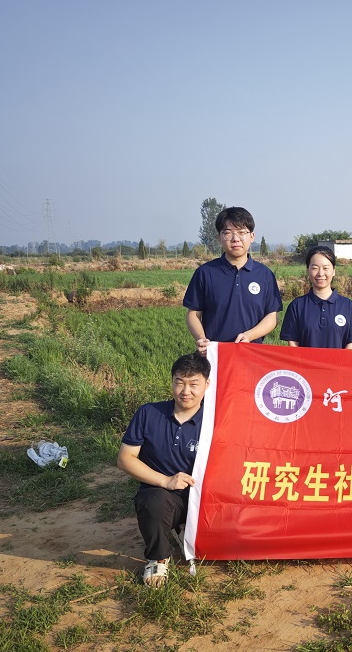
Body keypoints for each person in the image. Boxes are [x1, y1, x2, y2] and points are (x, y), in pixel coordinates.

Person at [117, 352, 210, 587]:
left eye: (193, 384)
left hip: (204, 499)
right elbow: (126, 458)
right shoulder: (148, 414)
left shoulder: (215, 419)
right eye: (180, 382)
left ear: (207, 385)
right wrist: (165, 481)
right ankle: (158, 557)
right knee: (155, 501)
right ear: (172, 382)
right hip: (164, 493)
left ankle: (189, 533)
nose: (185, 391)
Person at [183, 206, 283, 356]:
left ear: (252, 236)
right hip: (214, 356)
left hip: (252, 354)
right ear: (219, 237)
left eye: (242, 232)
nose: (235, 239)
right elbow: (193, 314)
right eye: (228, 233)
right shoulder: (205, 273)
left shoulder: (264, 275)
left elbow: (272, 316)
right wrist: (201, 339)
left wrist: (250, 335)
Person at [280, 245, 352, 349]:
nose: (320, 273)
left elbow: (351, 344)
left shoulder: (348, 307)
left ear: (334, 270)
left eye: (326, 268)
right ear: (308, 270)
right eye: (315, 268)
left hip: (338, 365)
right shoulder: (297, 306)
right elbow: (293, 344)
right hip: (306, 365)